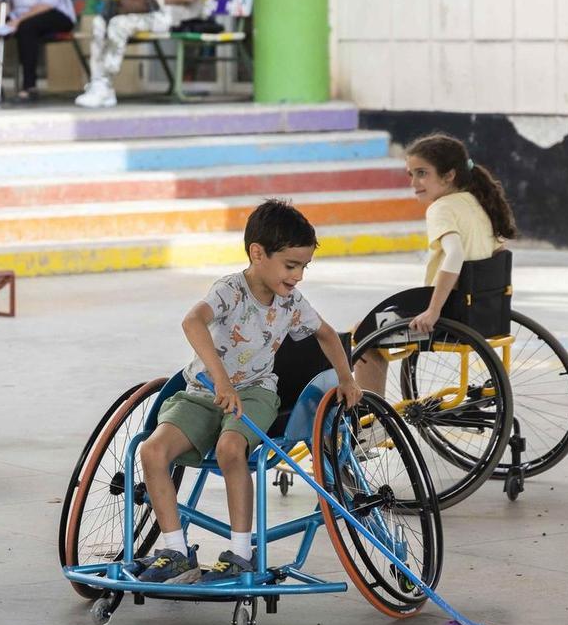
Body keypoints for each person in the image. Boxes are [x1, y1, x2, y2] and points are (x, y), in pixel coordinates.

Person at [135, 200, 363, 584]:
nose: (298, 276)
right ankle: (175, 551)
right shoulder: (229, 291)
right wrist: (221, 379)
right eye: (291, 266)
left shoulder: (291, 301)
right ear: (258, 254)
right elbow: (192, 321)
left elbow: (325, 333)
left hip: (256, 392)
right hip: (202, 391)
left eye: (304, 267)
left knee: (229, 449)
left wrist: (346, 378)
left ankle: (241, 553)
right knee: (152, 450)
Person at [353, 133, 518, 395]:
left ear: (449, 175)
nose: (414, 183)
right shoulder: (478, 203)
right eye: (410, 174)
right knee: (376, 325)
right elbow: (496, 252)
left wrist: (432, 310)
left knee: (363, 337)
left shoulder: (441, 208)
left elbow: (455, 255)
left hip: (448, 312)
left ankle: (370, 425)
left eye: (422, 173)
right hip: (480, 311)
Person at [75, 0, 209, 108]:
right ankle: (98, 83)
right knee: (99, 21)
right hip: (146, 8)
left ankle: (105, 82)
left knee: (118, 25)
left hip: (170, 14)